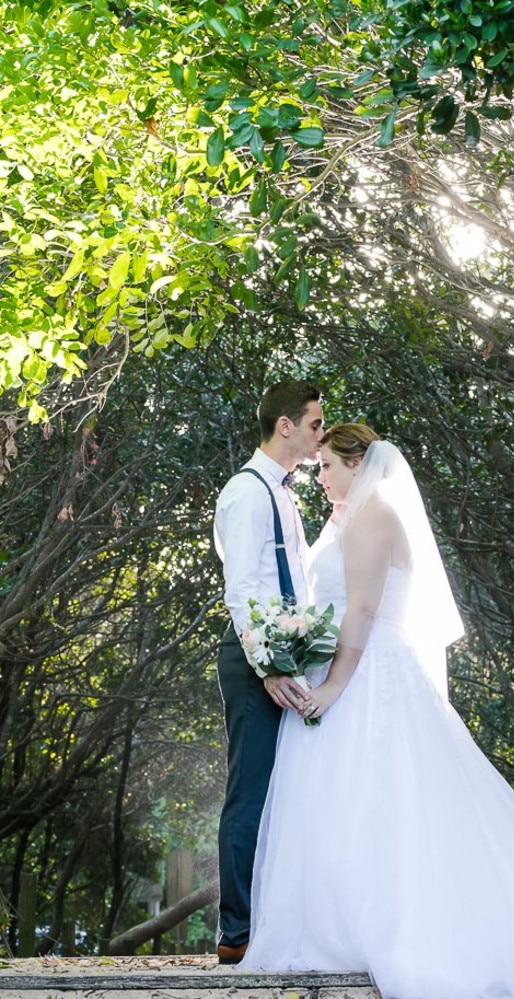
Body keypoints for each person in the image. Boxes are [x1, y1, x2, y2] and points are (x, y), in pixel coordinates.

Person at [242, 423, 514, 999]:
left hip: (369, 676)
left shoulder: (374, 516)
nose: (322, 475)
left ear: (359, 464)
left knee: (383, 798)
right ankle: (334, 928)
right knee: (345, 799)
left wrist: (332, 685)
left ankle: (389, 929)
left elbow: (359, 613)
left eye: (329, 465)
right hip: (354, 669)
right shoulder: (348, 519)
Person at [212, 379, 324, 964]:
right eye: (313, 424)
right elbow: (241, 592)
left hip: (285, 659)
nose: (319, 434)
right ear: (285, 426)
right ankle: (237, 934)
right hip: (255, 660)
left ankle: (278, 920)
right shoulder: (247, 492)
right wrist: (268, 668)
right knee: (250, 792)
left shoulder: (284, 492)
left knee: (287, 792)